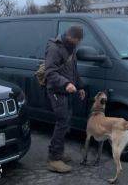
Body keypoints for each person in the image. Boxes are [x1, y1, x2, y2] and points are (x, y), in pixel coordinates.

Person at [45, 26, 85, 173]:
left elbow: (73, 69)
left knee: (66, 121)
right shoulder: (55, 49)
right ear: (71, 37)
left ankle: (58, 152)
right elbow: (50, 72)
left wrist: (79, 86)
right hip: (56, 91)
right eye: (78, 40)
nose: (79, 43)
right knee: (62, 122)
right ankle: (53, 159)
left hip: (66, 91)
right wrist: (66, 83)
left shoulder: (70, 47)